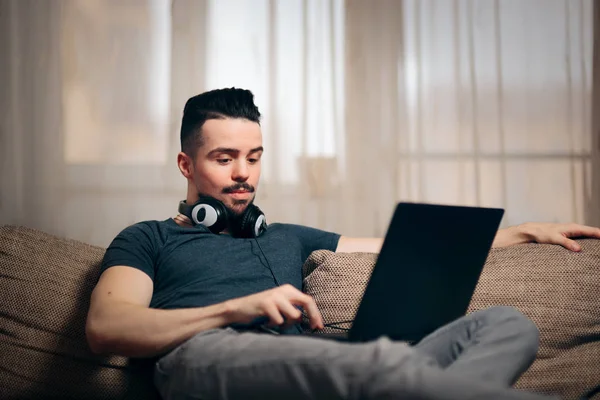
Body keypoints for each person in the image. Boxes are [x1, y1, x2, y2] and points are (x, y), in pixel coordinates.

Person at [85, 88, 600, 400]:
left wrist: (526, 231)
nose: (244, 174)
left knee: (508, 325)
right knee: (384, 363)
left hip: (315, 360)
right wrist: (235, 309)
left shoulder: (286, 235)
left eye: (255, 156)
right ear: (186, 165)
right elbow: (107, 327)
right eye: (225, 158)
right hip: (203, 358)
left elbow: (396, 246)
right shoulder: (148, 237)